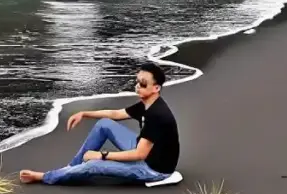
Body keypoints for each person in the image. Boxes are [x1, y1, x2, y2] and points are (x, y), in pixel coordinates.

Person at [19, 61, 180, 186]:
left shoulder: (157, 115)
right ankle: (71, 168)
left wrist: (102, 155)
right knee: (104, 124)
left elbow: (139, 155)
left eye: (143, 84)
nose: (137, 86)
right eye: (137, 82)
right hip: (145, 151)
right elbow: (115, 114)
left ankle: (46, 177)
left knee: (94, 165)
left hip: (153, 169)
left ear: (156, 88)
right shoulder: (147, 104)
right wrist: (84, 113)